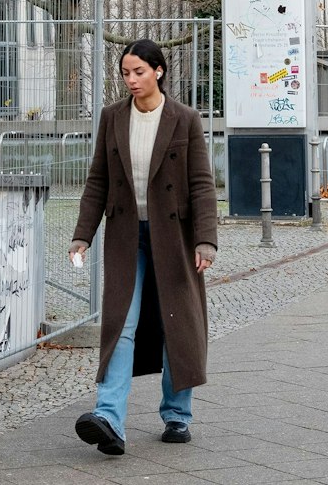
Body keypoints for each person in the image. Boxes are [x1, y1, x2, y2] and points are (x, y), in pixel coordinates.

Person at [71, 39, 219, 455]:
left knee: (178, 324)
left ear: (158, 71)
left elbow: (201, 184)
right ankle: (109, 419)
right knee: (121, 324)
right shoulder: (112, 117)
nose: (131, 80)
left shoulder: (184, 119)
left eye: (138, 72)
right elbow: (98, 180)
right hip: (126, 236)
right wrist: (82, 234)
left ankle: (177, 415)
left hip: (173, 238)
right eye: (125, 73)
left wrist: (206, 240)